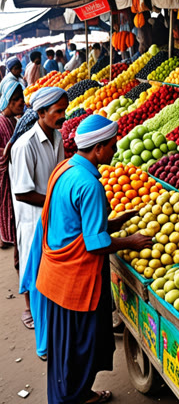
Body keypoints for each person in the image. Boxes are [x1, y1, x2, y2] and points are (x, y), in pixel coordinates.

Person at [34, 115, 153, 403]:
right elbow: (95, 244)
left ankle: (74, 394)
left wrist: (117, 222)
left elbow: (76, 223)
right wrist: (132, 241)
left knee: (66, 349)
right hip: (76, 283)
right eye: (112, 145)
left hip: (55, 277)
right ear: (98, 149)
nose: (115, 150)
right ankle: (74, 397)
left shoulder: (65, 168)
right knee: (79, 347)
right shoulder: (90, 185)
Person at [10, 87, 68, 333]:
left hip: (52, 217)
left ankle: (52, 324)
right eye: (58, 111)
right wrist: (55, 203)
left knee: (52, 274)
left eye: (64, 110)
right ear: (41, 113)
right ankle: (41, 330)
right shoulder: (25, 145)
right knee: (34, 274)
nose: (63, 116)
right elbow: (22, 192)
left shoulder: (57, 138)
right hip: (33, 220)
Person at [0, 82, 25, 249]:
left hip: (14, 176)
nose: (21, 103)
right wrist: (9, 151)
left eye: (21, 99)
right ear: (9, 101)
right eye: (17, 100)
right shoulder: (1, 122)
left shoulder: (13, 121)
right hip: (6, 177)